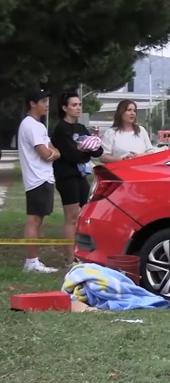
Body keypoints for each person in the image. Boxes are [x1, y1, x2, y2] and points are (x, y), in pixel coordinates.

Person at [51, 93, 105, 266]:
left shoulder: (81, 128)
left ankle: (83, 253)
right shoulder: (61, 129)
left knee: (86, 214)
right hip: (66, 176)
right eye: (74, 105)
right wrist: (85, 150)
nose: (78, 107)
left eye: (79, 104)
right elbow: (72, 155)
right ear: (65, 108)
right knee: (71, 217)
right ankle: (69, 258)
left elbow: (98, 151)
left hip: (82, 175)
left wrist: (88, 148)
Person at [17, 88, 61, 273]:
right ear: (32, 104)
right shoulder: (30, 125)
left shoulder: (39, 125)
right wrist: (54, 153)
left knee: (38, 220)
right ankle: (31, 262)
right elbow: (46, 153)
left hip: (43, 178)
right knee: (34, 221)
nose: (46, 105)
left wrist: (54, 152)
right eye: (43, 101)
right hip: (37, 179)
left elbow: (52, 149)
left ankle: (33, 261)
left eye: (47, 101)